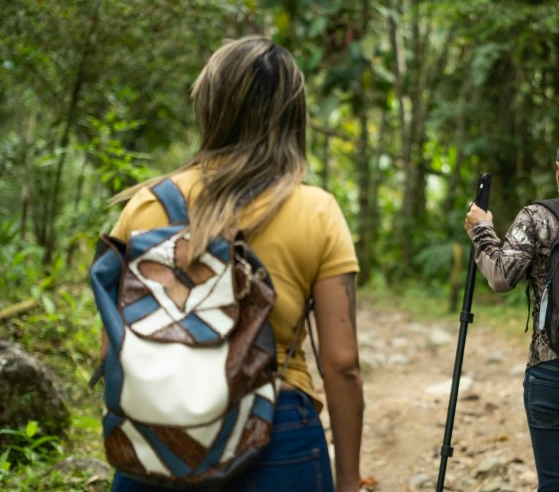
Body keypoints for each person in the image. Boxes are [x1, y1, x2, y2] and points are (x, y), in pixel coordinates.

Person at [103, 36, 364, 492]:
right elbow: (341, 363)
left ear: (209, 106)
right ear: (292, 114)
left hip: (162, 431)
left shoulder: (145, 206)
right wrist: (347, 480)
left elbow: (115, 348)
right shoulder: (316, 210)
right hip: (277, 426)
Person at [464, 131, 559, 492]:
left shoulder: (537, 217)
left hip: (551, 368)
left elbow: (501, 277)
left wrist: (481, 230)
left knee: (557, 486)